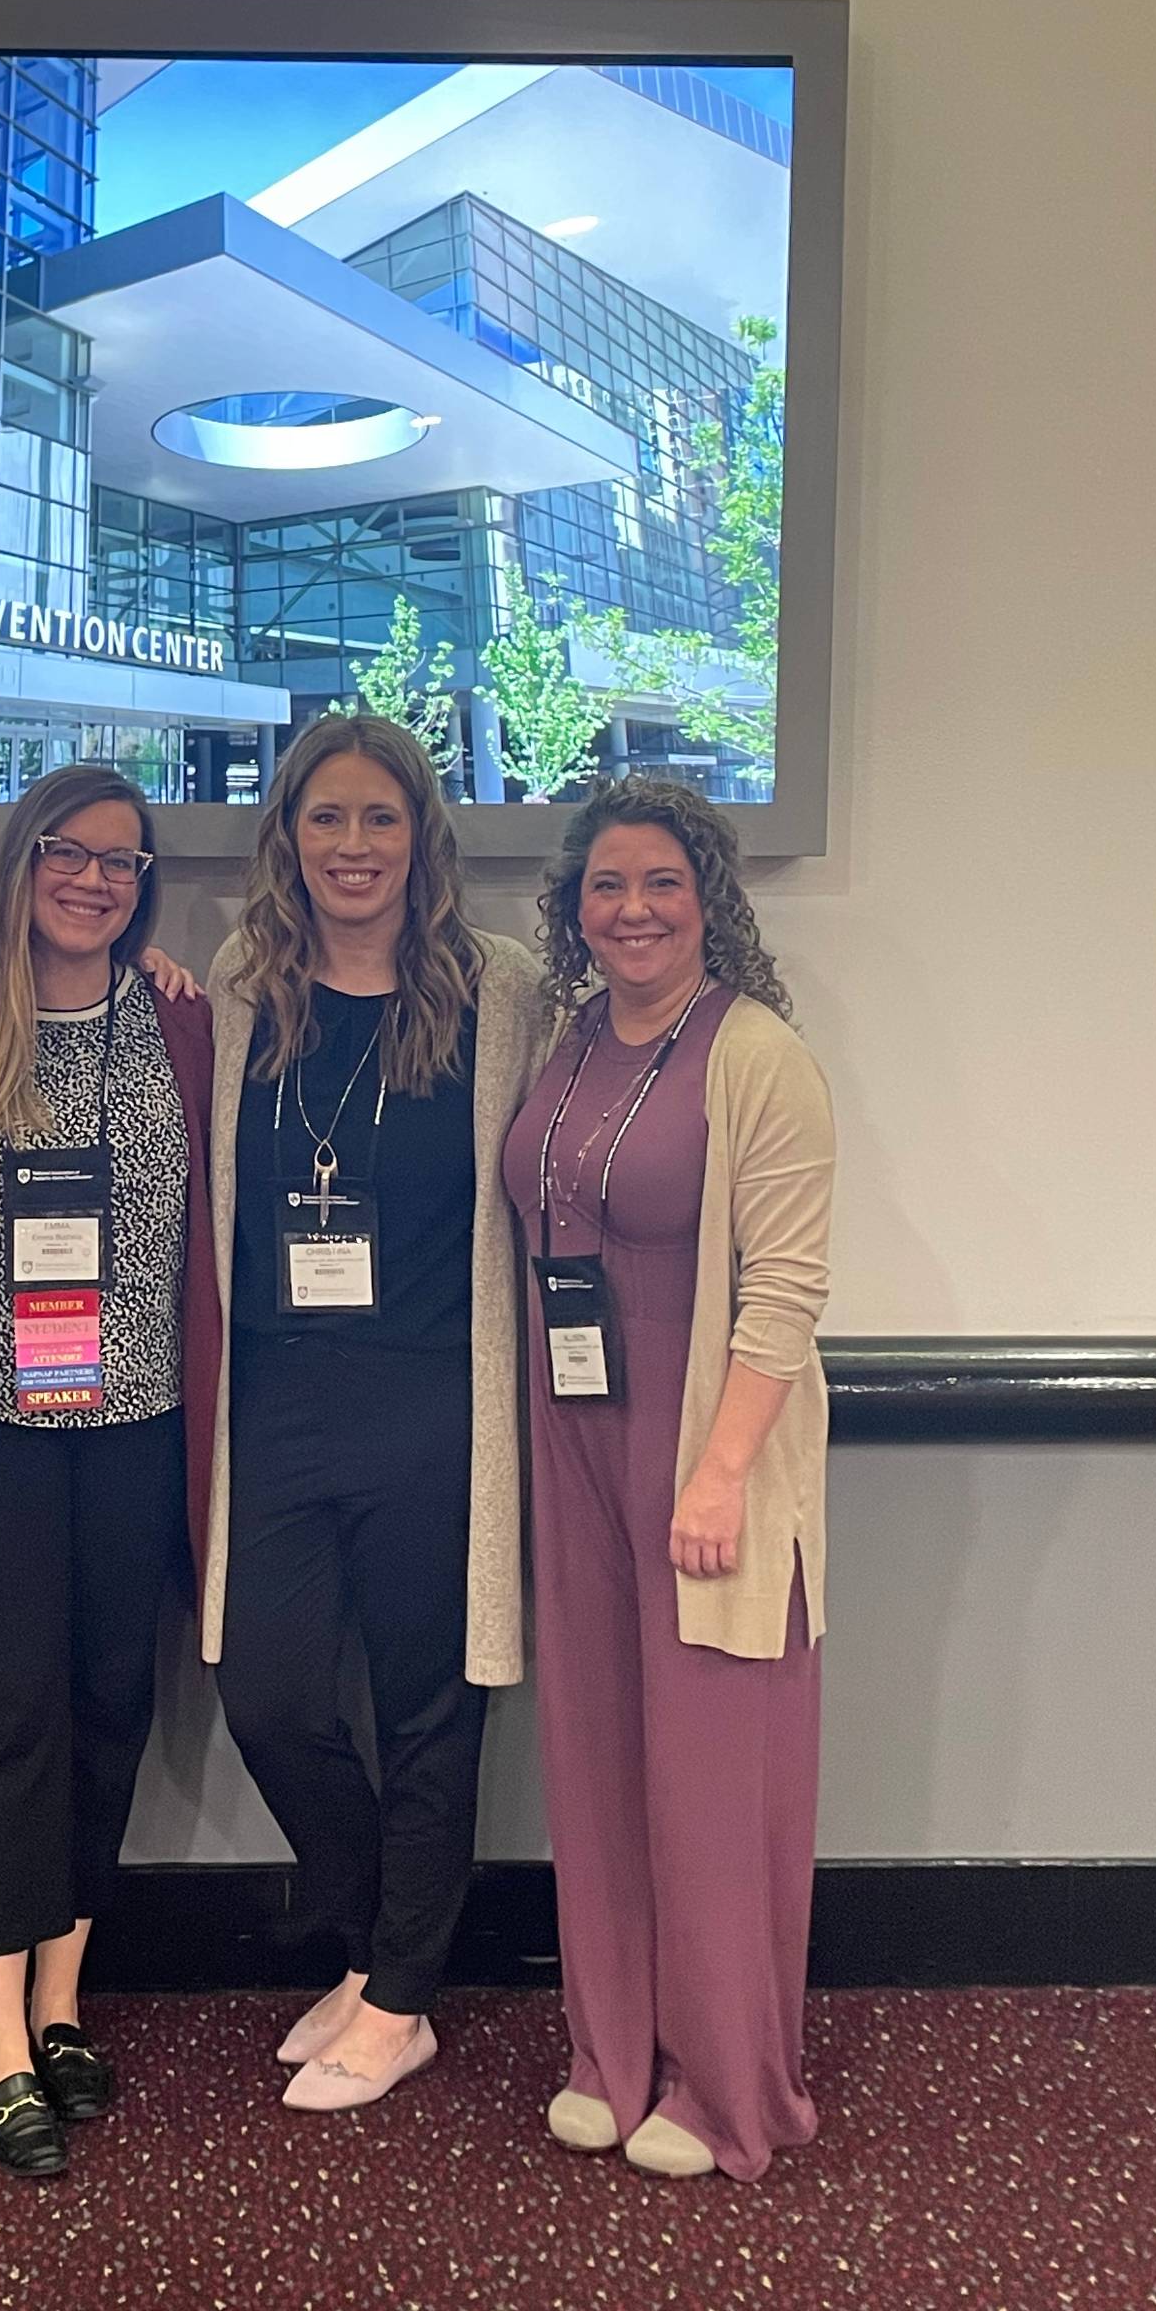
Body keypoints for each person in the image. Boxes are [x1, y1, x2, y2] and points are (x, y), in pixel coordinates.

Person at [202, 715, 548, 2111]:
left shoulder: (500, 992)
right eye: (326, 818)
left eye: (381, 818)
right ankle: (373, 1941)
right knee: (268, 1693)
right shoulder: (240, 989)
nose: (353, 846)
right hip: (278, 1404)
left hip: (433, 1404)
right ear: (287, 834)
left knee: (428, 1708)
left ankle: (400, 1994)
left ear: (424, 837)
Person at [0, 766, 220, 2179]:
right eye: (68, 853)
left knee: (107, 1709)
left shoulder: (184, 1022)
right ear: (19, 862)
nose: (93, 880)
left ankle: (65, 2002)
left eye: (122, 861)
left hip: (140, 1428)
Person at [503, 777, 834, 2182]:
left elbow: (789, 1291)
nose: (632, 910)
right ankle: (612, 2052)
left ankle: (722, 2083)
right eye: (606, 886)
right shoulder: (570, 1039)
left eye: (661, 884)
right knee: (595, 1753)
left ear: (709, 902)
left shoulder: (757, 1055)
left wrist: (721, 1473)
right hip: (575, 1434)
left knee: (705, 1777)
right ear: (573, 908)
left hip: (702, 1450)